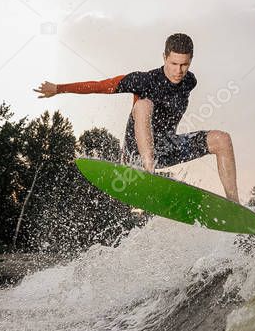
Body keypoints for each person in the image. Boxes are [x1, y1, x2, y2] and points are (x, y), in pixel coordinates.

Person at [33, 33, 240, 203]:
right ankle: (149, 172)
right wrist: (59, 89)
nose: (179, 71)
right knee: (143, 105)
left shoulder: (189, 81)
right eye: (174, 63)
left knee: (222, 140)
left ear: (191, 61)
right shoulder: (143, 80)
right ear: (164, 57)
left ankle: (234, 206)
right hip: (136, 153)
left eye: (184, 65)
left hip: (166, 147)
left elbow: (183, 82)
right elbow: (99, 86)